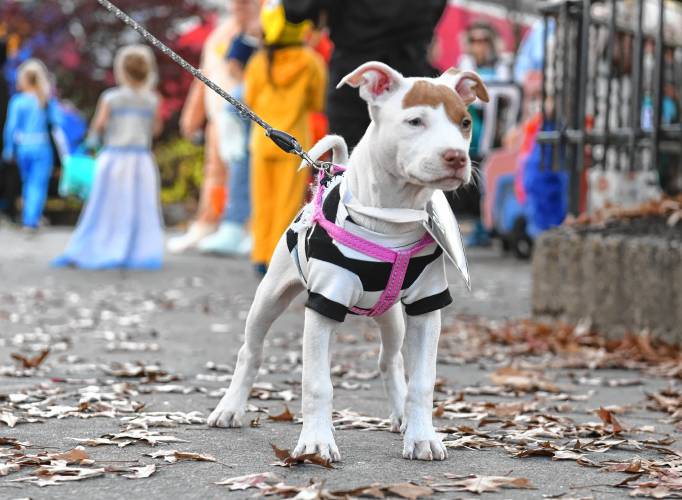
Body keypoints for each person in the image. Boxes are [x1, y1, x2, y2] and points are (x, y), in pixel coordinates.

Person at [53, 45, 164, 269]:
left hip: (114, 158)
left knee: (109, 206)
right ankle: (135, 249)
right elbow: (156, 130)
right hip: (141, 160)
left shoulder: (111, 98)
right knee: (138, 207)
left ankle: (106, 244)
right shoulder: (152, 100)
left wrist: (92, 141)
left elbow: (98, 126)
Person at [282, 0, 447, 149]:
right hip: (409, 75)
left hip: (356, 74)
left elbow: (297, 10)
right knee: (410, 166)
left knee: (346, 167)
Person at [168, 0, 260, 253]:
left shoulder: (265, 24)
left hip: (253, 119)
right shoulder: (219, 35)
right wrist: (192, 117)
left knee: (251, 176)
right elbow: (204, 76)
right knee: (215, 175)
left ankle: (251, 229)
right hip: (219, 119)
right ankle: (208, 222)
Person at [246, 1, 326, 273]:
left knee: (262, 200)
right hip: (294, 143)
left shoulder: (257, 62)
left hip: (261, 141)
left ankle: (260, 255)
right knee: (287, 202)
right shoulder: (311, 62)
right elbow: (316, 103)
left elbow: (250, 100)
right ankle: (279, 259)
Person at [197, 33, 258, 255]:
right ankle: (240, 230)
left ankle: (239, 230)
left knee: (242, 190)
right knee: (242, 189)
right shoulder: (248, 88)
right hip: (245, 151)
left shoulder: (244, 90)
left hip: (244, 151)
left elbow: (231, 117)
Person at [2, 59, 64, 230]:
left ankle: (30, 217)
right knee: (38, 184)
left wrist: (9, 150)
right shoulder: (45, 100)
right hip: (42, 147)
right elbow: (57, 122)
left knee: (28, 182)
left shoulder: (18, 101)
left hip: (23, 148)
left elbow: (11, 128)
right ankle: (31, 220)